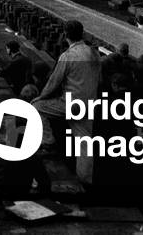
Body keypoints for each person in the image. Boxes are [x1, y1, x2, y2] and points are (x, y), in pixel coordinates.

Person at [31, 20, 100, 184]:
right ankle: (85, 181)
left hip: (71, 103)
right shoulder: (94, 54)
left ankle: (48, 142)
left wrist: (40, 97)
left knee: (36, 108)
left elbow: (53, 82)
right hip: (89, 104)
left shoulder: (67, 56)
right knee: (84, 143)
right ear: (81, 33)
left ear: (65, 35)